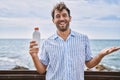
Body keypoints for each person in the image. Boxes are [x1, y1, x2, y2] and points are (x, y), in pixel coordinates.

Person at [29, 2, 120, 80]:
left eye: (64, 15)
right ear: (53, 20)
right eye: (58, 16)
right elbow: (41, 70)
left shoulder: (83, 39)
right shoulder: (47, 42)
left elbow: (89, 64)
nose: (61, 19)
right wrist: (34, 56)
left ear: (70, 18)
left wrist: (100, 55)